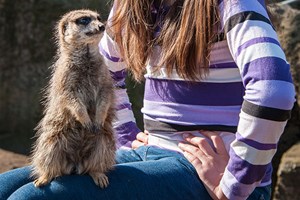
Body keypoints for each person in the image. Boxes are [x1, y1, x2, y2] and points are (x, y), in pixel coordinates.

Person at [0, 0, 295, 199]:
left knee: (31, 197)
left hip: (214, 173)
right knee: (6, 187)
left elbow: (274, 90)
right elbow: (107, 73)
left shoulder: (232, 4)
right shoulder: (132, 6)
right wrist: (126, 137)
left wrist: (234, 184)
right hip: (150, 154)